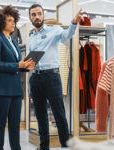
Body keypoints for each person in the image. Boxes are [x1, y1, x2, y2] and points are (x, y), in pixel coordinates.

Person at [28, 4, 82, 150]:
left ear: (43, 15)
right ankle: (43, 146)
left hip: (52, 78)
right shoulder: (31, 37)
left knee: (59, 115)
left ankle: (65, 146)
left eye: (39, 13)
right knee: (40, 116)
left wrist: (73, 23)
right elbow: (31, 59)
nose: (37, 16)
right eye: (33, 14)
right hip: (35, 78)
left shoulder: (55, 30)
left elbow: (67, 35)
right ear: (30, 17)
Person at [0, 5, 35, 150]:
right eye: (10, 20)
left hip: (16, 89)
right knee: (0, 124)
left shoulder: (14, 42)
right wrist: (18, 66)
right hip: (2, 89)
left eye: (14, 20)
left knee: (15, 124)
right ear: (1, 22)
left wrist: (25, 67)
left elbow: (17, 65)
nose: (13, 23)